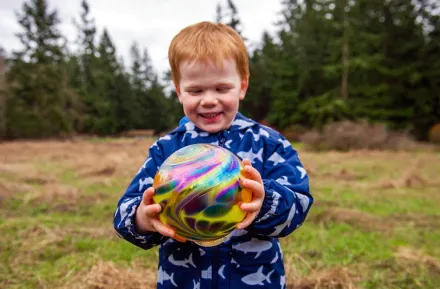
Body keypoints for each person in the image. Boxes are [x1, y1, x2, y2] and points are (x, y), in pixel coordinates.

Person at [113, 21, 313, 289]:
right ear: (179, 91)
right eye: (196, 90)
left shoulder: (267, 143)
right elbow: (124, 213)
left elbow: (299, 206)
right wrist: (142, 218)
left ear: (242, 86)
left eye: (221, 88)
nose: (208, 100)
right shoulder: (167, 150)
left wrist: (264, 202)